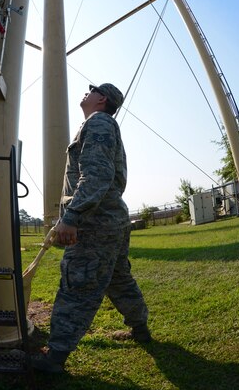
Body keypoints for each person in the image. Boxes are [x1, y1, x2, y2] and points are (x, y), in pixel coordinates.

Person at [33, 83, 151, 374]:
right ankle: (141, 329)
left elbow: (97, 176)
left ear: (103, 99)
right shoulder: (101, 124)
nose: (86, 91)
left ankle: (54, 358)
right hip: (111, 220)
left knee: (78, 284)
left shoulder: (98, 122)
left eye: (93, 89)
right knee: (119, 278)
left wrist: (72, 217)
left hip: (94, 223)